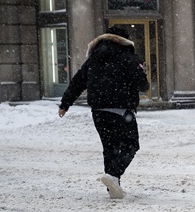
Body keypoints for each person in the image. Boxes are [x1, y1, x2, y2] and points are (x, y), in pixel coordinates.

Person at [58, 26, 150, 199]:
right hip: (122, 111)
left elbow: (77, 82)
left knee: (110, 149)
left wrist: (65, 104)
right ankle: (113, 176)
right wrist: (141, 73)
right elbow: (143, 86)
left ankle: (113, 188)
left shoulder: (93, 59)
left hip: (99, 111)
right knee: (131, 145)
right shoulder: (129, 58)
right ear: (125, 40)